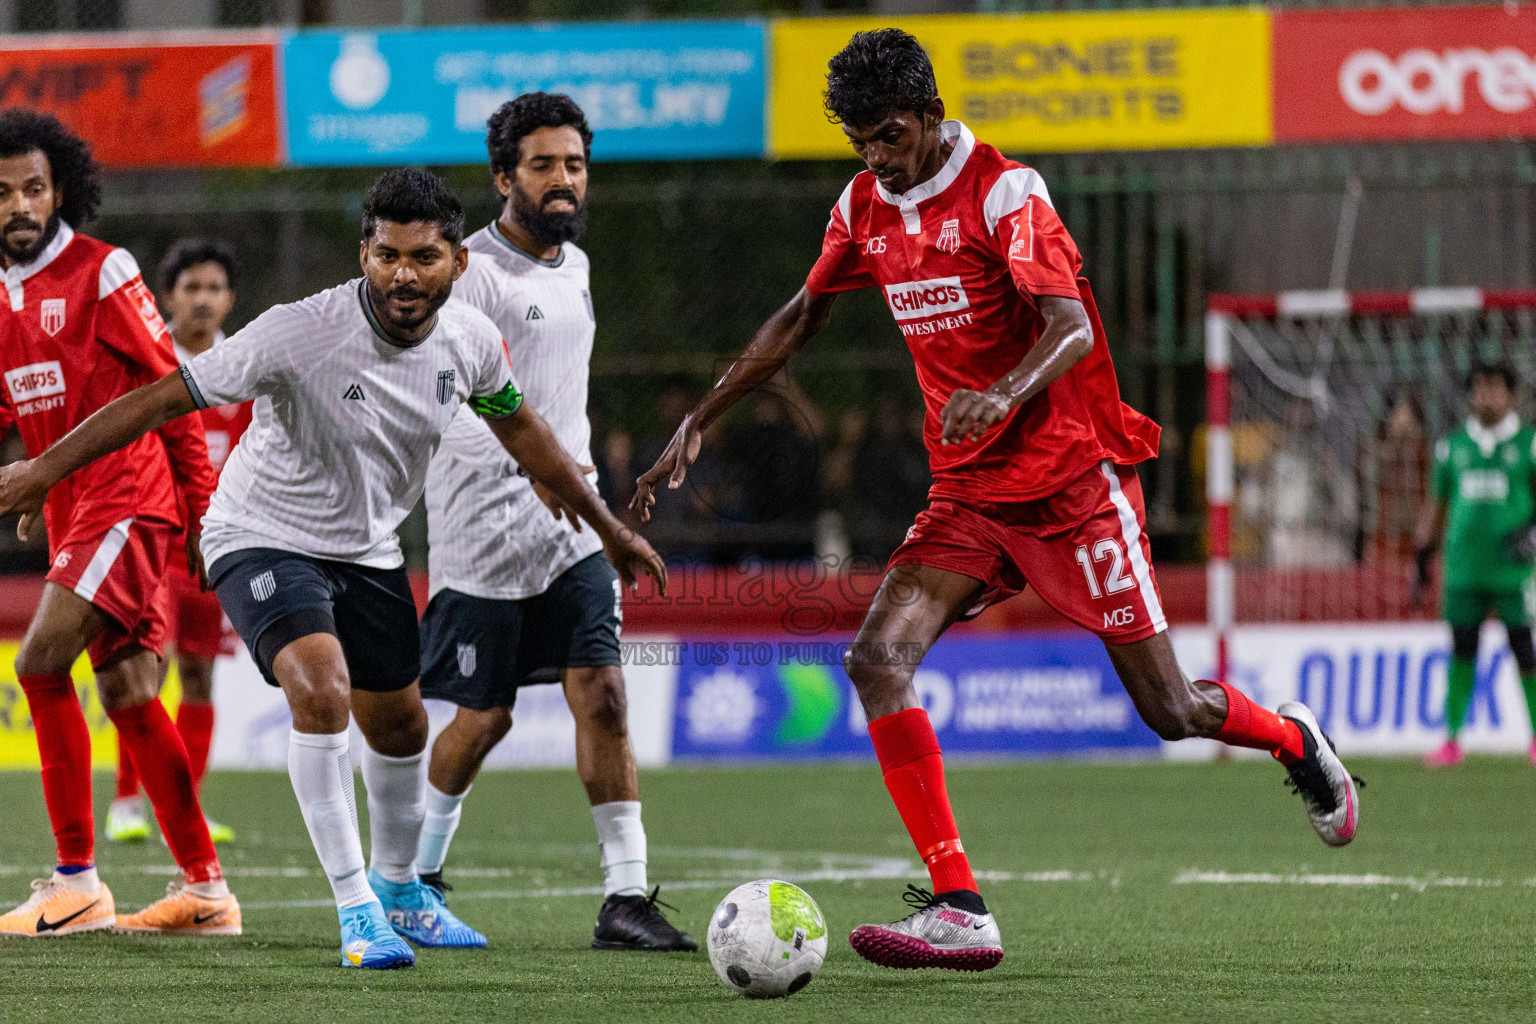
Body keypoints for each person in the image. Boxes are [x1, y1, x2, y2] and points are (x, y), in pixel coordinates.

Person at [633, 29, 1361, 973]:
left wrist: (1004, 392)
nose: (876, 158)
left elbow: (1065, 324)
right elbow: (802, 315)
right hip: (972, 493)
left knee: (1172, 709)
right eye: (860, 141)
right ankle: (960, 904)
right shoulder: (864, 204)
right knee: (876, 659)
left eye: (889, 135)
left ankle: (1291, 737)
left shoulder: (1006, 194)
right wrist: (703, 415)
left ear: (931, 114)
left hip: (1070, 486)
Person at [0, 167, 667, 969]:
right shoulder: (298, 330)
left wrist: (609, 530)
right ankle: (357, 909)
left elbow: (525, 434)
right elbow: (162, 399)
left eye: (423, 258)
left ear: (458, 264)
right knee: (319, 688)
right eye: (386, 255)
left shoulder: (471, 347)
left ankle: (399, 890)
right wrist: (43, 471)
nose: (403, 275)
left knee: (402, 723)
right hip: (257, 532)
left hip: (367, 549)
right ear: (364, 255)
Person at [413, 93, 694, 952]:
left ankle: (625, 897)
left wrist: (580, 480)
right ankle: (413, 875)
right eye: (543, 164)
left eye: (574, 163)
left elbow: (556, 391)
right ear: (504, 177)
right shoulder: (471, 273)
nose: (564, 179)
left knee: (604, 695)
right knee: (483, 719)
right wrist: (527, 467)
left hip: (571, 521)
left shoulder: (573, 264)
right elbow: (446, 397)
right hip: (482, 527)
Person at [0, 109, 239, 937]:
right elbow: (23, 405)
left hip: (128, 502)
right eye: (3, 194)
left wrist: (204, 515)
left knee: (38, 664)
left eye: (34, 187)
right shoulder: (4, 298)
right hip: (78, 510)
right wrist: (37, 485)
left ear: (60, 189)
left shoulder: (103, 272)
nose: (21, 205)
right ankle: (207, 894)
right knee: (134, 694)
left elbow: (175, 390)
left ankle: (75, 884)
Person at [107, 238, 249, 846]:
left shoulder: (244, 367)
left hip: (213, 549)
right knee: (143, 667)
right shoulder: (148, 357)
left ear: (230, 299)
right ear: (168, 297)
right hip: (152, 540)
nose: (202, 299)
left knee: (199, 677)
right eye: (191, 287)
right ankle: (127, 804)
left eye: (214, 288)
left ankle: (184, 812)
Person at [1414, 362, 1536, 767]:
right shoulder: (1452, 446)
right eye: (1480, 388)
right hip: (1463, 572)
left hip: (1513, 573)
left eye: (1496, 388)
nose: (1487, 395)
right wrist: (1421, 560)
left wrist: (1529, 531)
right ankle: (1451, 740)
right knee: (1462, 651)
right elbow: (1436, 506)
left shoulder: (1529, 443)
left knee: (1526, 653)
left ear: (1511, 394)